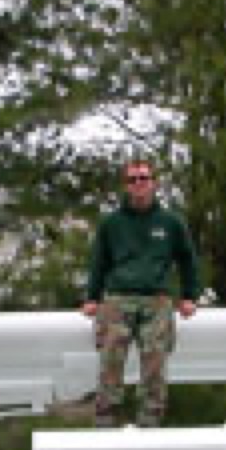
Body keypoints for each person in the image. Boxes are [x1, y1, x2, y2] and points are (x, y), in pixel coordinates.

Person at [82, 159, 200, 428]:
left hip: (157, 298)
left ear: (153, 183)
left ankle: (150, 421)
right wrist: (92, 298)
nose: (138, 184)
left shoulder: (171, 222)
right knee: (110, 360)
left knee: (155, 363)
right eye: (132, 179)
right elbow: (99, 262)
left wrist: (189, 296)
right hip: (118, 297)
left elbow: (187, 260)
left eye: (144, 178)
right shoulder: (111, 223)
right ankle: (105, 420)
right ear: (126, 186)